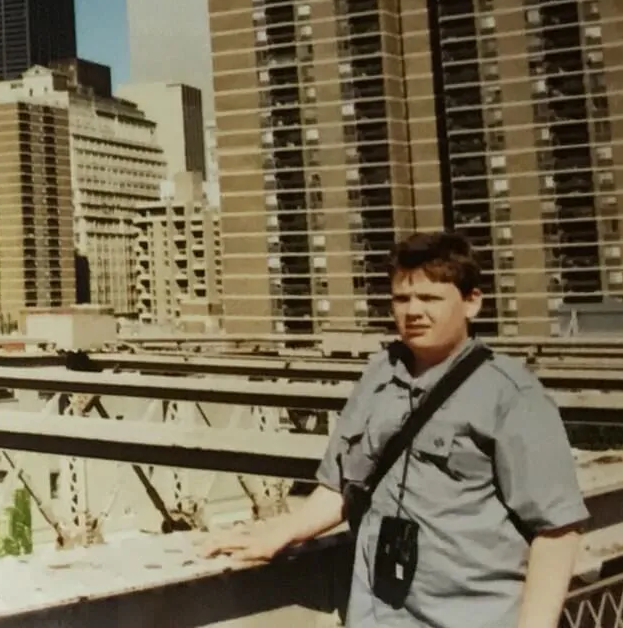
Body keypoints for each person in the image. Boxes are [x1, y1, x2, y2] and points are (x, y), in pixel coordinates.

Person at [201, 231, 588, 627]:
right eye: (402, 299)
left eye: (431, 298)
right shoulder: (379, 374)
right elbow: (342, 485)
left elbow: (557, 529)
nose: (413, 311)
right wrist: (277, 535)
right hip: (378, 615)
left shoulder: (510, 394)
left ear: (472, 303)